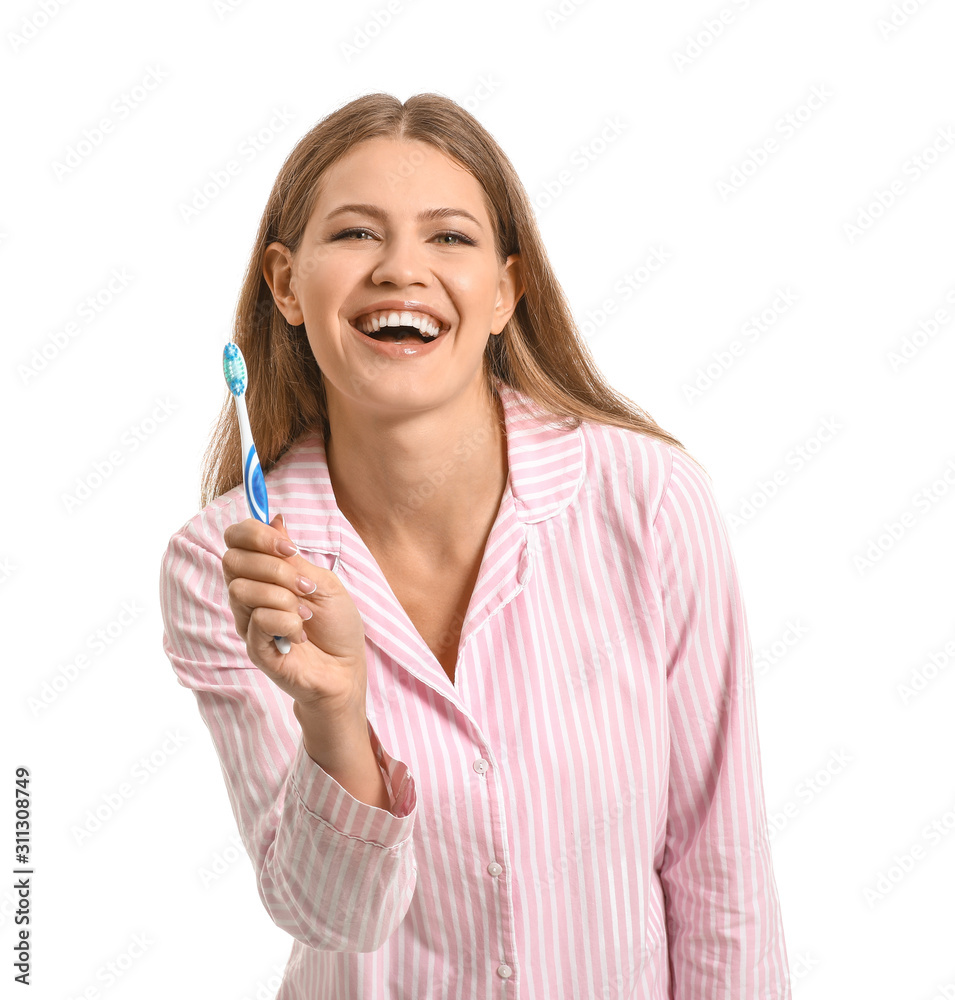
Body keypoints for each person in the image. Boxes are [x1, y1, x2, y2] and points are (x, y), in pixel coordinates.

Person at [159, 91, 792, 999]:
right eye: (354, 235)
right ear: (286, 284)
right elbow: (329, 919)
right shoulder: (224, 565)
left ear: (505, 291)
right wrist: (335, 719)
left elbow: (718, 871)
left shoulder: (650, 502)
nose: (400, 270)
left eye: (448, 237)